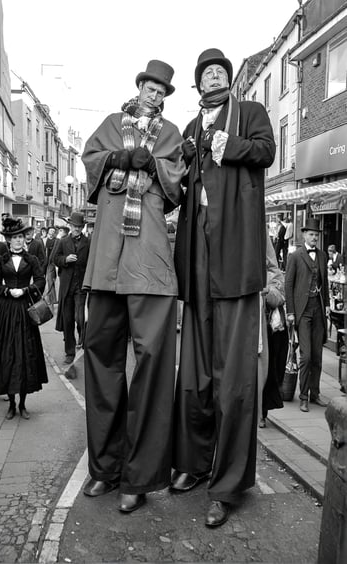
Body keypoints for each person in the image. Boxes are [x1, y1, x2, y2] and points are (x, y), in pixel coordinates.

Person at [171, 48, 276, 528]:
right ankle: (195, 463)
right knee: (195, 376)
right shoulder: (189, 127)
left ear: (229, 80)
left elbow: (266, 151)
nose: (214, 74)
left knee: (234, 381)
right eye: (206, 71)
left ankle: (228, 484)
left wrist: (223, 144)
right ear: (197, 85)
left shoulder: (249, 113)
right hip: (197, 265)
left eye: (220, 70)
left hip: (234, 262)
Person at [81, 59, 185, 513]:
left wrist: (154, 166)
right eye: (151, 87)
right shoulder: (108, 124)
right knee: (102, 365)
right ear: (139, 86)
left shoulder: (170, 135)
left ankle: (139, 478)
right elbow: (90, 160)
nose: (156, 95)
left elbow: (176, 183)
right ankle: (105, 469)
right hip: (106, 262)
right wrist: (117, 158)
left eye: (163, 91)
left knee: (152, 372)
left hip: (150, 264)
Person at [0, 217, 48, 419]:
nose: (19, 240)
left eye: (21, 237)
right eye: (15, 237)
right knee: (8, 353)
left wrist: (26, 290)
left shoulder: (31, 260)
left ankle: (23, 405)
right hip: (7, 310)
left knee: (26, 353)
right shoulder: (1, 259)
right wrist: (8, 291)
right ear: (9, 240)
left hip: (25, 309)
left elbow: (40, 280)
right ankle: (11, 404)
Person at [285, 217, 330, 412]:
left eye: (316, 235)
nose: (314, 238)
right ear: (304, 234)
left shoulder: (322, 256)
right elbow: (288, 285)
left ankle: (315, 393)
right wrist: (290, 312)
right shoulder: (295, 256)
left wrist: (327, 304)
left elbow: (325, 282)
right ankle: (303, 396)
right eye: (311, 234)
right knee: (306, 356)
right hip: (302, 311)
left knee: (318, 355)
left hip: (318, 309)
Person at [258, 236, 287, 429]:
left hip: (268, 330)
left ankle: (261, 413)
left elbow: (279, 297)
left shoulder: (272, 274)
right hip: (250, 327)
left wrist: (266, 291)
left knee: (267, 372)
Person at [53, 212, 90, 364]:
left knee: (80, 318)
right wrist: (65, 260)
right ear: (70, 226)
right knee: (68, 320)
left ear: (82, 227)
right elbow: (54, 259)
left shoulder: (88, 242)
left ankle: (82, 341)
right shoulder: (63, 241)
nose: (77, 229)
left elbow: (91, 262)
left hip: (81, 286)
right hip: (66, 287)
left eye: (80, 227)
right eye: (75, 226)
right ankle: (69, 351)